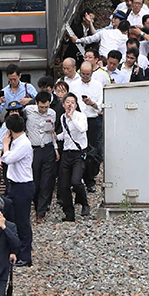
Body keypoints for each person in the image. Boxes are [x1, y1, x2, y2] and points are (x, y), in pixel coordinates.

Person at [0, 113, 33, 266]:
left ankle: (25, 256)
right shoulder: (18, 141)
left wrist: (5, 144)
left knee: (22, 221)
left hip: (23, 186)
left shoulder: (23, 143)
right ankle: (16, 251)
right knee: (12, 219)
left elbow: (7, 159)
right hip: (14, 184)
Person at [67, 62, 104, 193]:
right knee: (78, 151)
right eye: (83, 74)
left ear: (92, 73)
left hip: (93, 120)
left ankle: (90, 180)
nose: (85, 77)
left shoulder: (98, 85)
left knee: (93, 152)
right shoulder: (74, 85)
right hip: (78, 119)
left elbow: (100, 106)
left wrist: (92, 103)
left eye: (87, 74)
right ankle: (79, 179)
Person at [55, 93, 90, 221]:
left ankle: (84, 203)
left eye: (73, 102)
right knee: (63, 185)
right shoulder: (62, 118)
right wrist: (55, 136)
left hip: (78, 153)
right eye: (67, 102)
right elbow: (65, 135)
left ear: (76, 105)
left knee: (76, 181)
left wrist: (72, 118)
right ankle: (69, 214)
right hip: (66, 153)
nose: (70, 104)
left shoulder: (81, 117)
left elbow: (82, 129)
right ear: (63, 104)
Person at [25, 92, 57, 222]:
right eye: (41, 107)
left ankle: (41, 212)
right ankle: (37, 205)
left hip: (48, 148)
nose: (44, 110)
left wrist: (55, 148)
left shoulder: (52, 113)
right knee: (35, 182)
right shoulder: (28, 111)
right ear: (36, 103)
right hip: (34, 150)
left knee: (47, 182)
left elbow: (53, 131)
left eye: (46, 107)